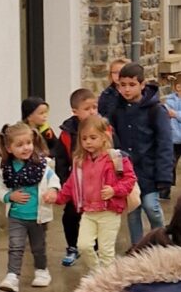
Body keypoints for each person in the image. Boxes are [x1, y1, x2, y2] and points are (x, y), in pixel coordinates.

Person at [98, 63, 170, 244]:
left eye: (132, 85)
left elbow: (164, 143)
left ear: (142, 85)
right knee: (133, 210)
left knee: (151, 207)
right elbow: (111, 138)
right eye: (123, 85)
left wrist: (164, 176)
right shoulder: (116, 109)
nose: (127, 89)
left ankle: (162, 240)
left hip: (149, 170)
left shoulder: (155, 110)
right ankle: (137, 247)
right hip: (126, 171)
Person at [59, 114, 139, 268]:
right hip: (88, 211)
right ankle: (98, 273)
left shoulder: (116, 158)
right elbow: (71, 184)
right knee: (83, 246)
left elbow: (130, 179)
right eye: (84, 138)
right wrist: (58, 197)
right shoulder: (80, 161)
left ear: (104, 137)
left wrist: (114, 190)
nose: (88, 142)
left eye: (93, 137)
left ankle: (106, 279)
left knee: (105, 252)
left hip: (109, 212)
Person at [0, 120, 54, 292]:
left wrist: (52, 191)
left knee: (38, 247)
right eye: (19, 145)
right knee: (15, 246)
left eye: (28, 143)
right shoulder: (5, 169)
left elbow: (53, 179)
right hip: (16, 216)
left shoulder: (42, 165)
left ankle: (42, 271)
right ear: (9, 148)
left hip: (37, 216)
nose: (26, 148)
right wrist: (9, 196)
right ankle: (12, 276)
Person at [56, 86, 95, 265]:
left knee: (96, 216)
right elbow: (61, 161)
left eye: (94, 107)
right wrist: (65, 184)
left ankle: (95, 248)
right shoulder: (67, 133)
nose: (92, 111)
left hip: (97, 184)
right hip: (76, 184)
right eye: (87, 108)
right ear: (75, 111)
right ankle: (72, 247)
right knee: (71, 215)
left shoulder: (103, 128)